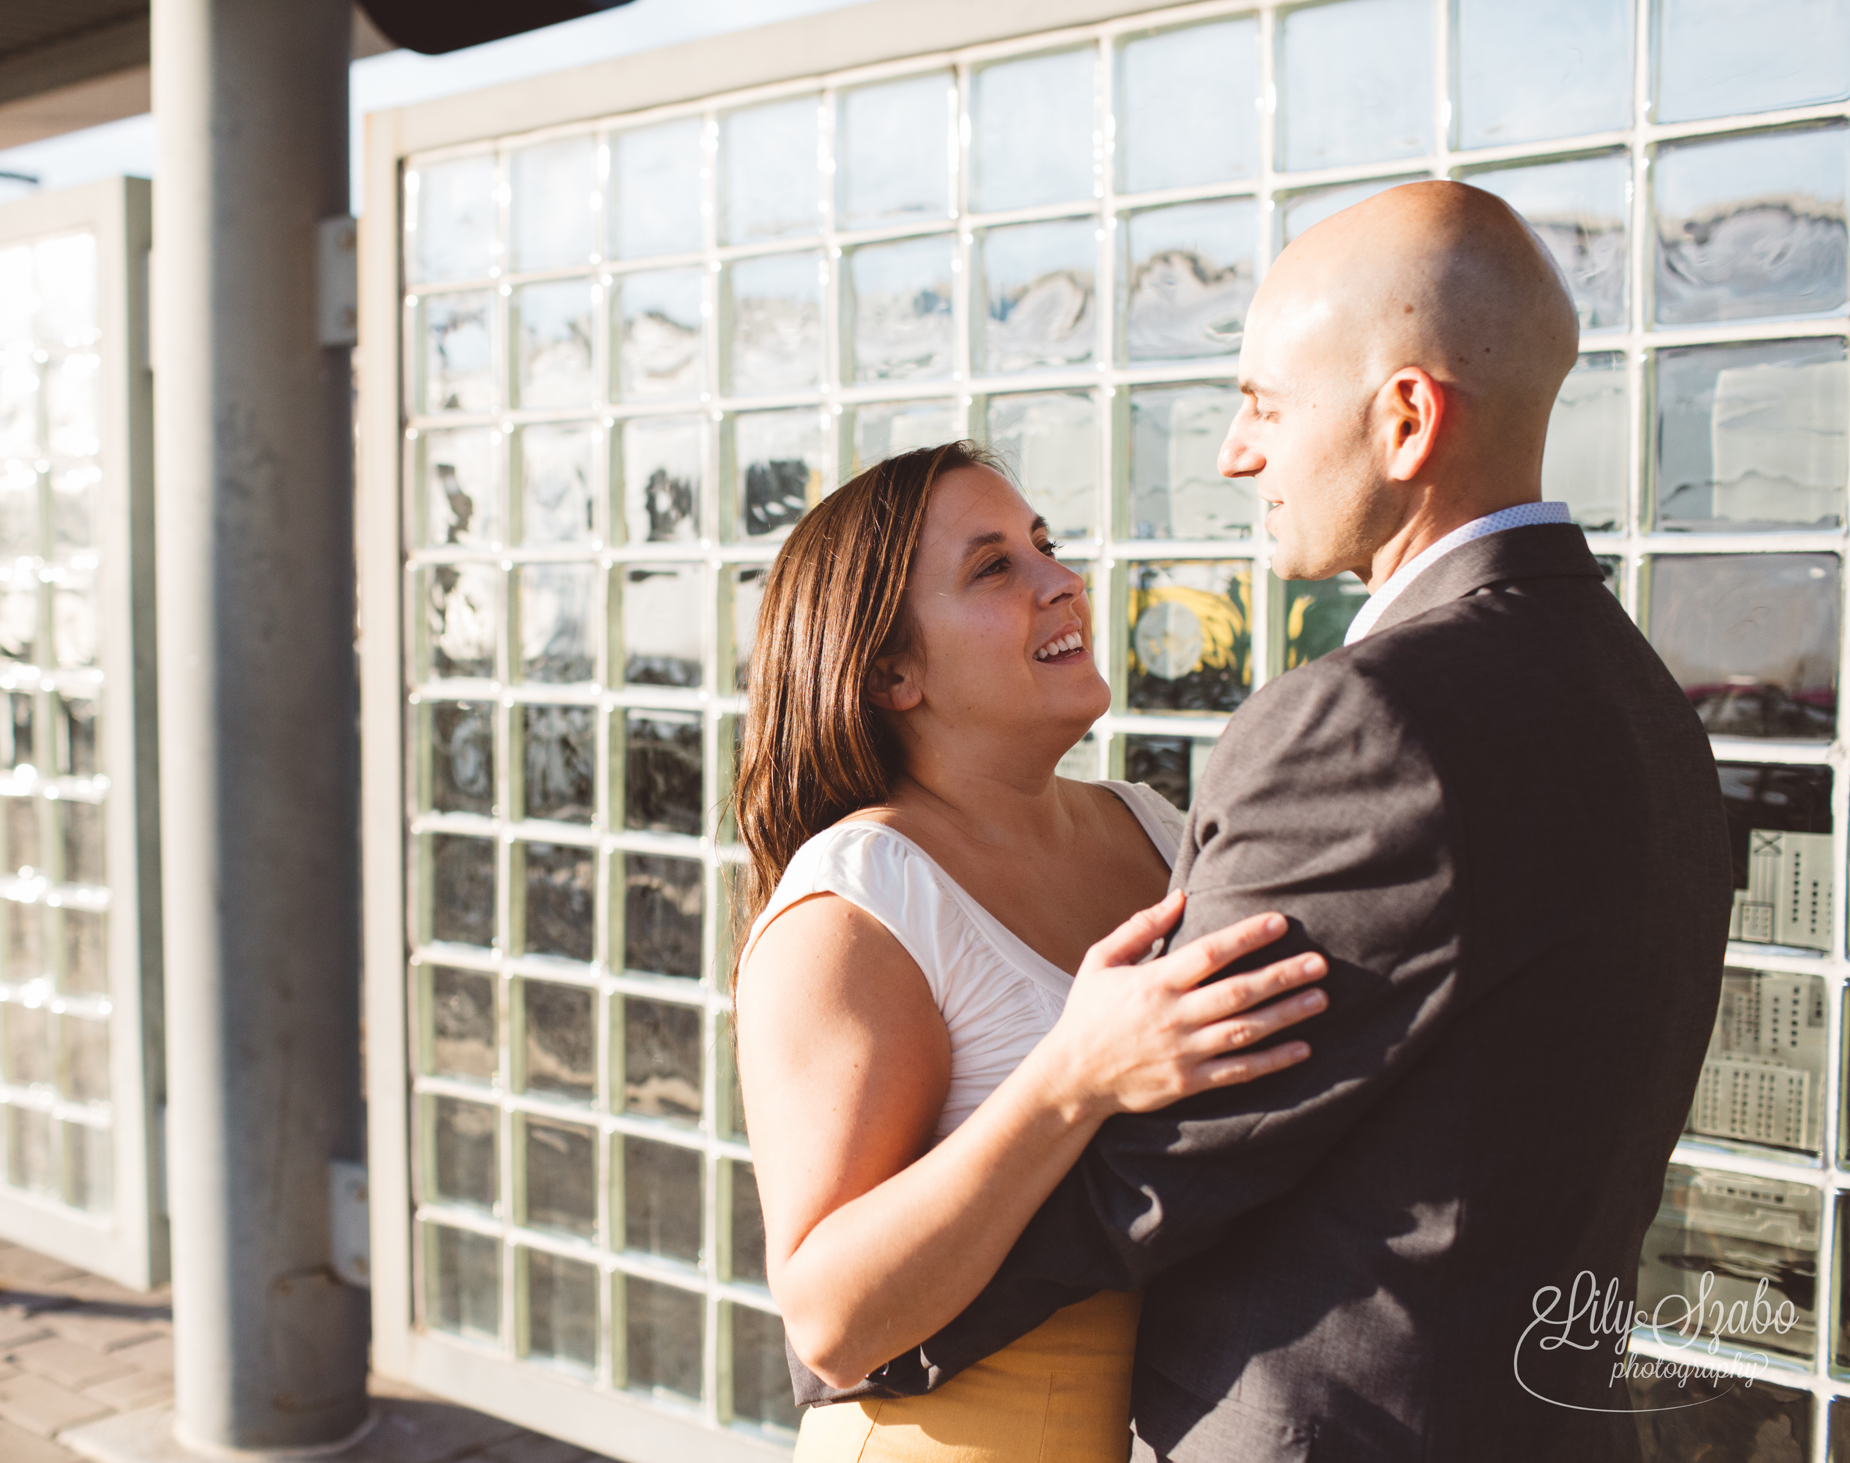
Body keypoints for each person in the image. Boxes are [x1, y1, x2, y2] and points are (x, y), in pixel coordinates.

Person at [824, 182, 1733, 1461]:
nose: (1233, 454)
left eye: (1261, 402)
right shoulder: (1641, 697)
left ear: (1406, 420)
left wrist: (870, 1331)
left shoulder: (1368, 722)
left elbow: (1174, 1154)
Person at [732, 440, 1331, 1462]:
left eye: (1043, 546)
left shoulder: (1150, 826)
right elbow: (829, 1316)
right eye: (994, 566)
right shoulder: (855, 904)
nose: (1061, 582)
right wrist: (1072, 1076)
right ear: (891, 671)